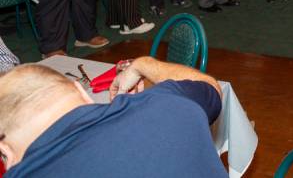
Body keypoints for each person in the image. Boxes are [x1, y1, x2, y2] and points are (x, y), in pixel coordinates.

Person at [0, 57, 227, 177]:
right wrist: (142, 65)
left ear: (6, 156)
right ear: (82, 92)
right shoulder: (172, 105)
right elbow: (211, 87)